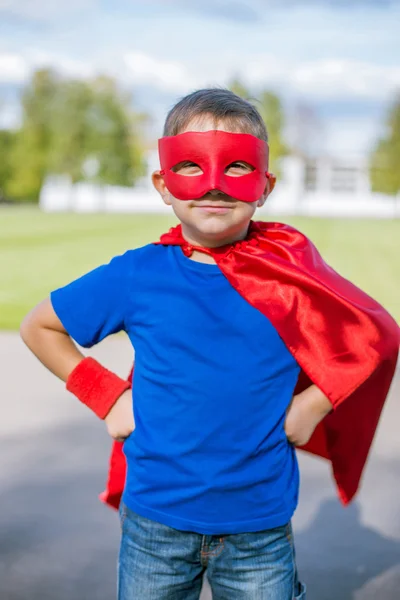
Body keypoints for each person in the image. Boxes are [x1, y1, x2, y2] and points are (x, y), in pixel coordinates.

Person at [20, 88, 399, 600]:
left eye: (238, 168)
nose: (214, 187)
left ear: (265, 186)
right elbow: (40, 327)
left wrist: (316, 402)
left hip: (259, 527)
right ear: (162, 182)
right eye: (192, 168)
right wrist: (105, 395)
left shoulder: (289, 275)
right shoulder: (138, 274)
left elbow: (376, 334)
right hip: (157, 521)